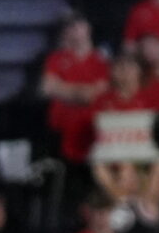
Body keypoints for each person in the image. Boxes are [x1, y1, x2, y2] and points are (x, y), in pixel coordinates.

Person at [38, 15, 111, 170]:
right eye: (70, 27)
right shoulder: (56, 59)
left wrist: (63, 89)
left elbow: (95, 94)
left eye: (79, 25)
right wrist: (81, 92)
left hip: (93, 125)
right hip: (60, 125)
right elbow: (48, 88)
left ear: (88, 29)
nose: (74, 30)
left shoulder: (102, 61)